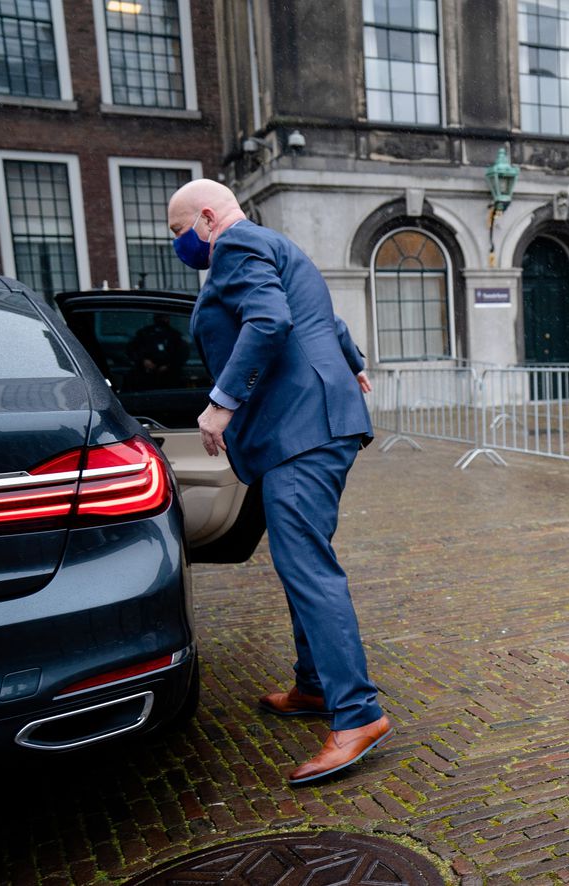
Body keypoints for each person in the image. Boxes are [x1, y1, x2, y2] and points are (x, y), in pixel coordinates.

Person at [166, 179, 392, 785]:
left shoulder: (236, 248)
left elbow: (269, 319)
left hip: (302, 431)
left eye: (178, 233)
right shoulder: (274, 244)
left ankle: (358, 715)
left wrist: (221, 402)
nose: (178, 245)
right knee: (301, 561)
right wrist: (351, 362)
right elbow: (322, 314)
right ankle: (315, 687)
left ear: (208, 218)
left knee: (309, 568)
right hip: (312, 424)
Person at [124, 313, 188, 391]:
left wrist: (169, 366)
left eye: (165, 317)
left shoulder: (175, 335)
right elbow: (131, 349)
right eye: (161, 317)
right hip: (145, 378)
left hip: (170, 380)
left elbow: (182, 354)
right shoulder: (144, 333)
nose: (164, 319)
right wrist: (143, 361)